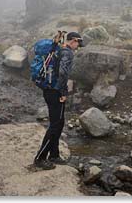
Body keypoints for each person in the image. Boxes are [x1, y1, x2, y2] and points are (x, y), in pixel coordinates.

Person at [34, 32, 84, 170]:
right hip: (55, 92)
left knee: (59, 122)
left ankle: (54, 155)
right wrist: (63, 92)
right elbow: (63, 73)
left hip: (49, 90)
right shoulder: (67, 53)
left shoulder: (59, 49)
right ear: (73, 40)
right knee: (55, 125)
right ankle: (40, 158)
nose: (78, 47)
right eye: (78, 44)